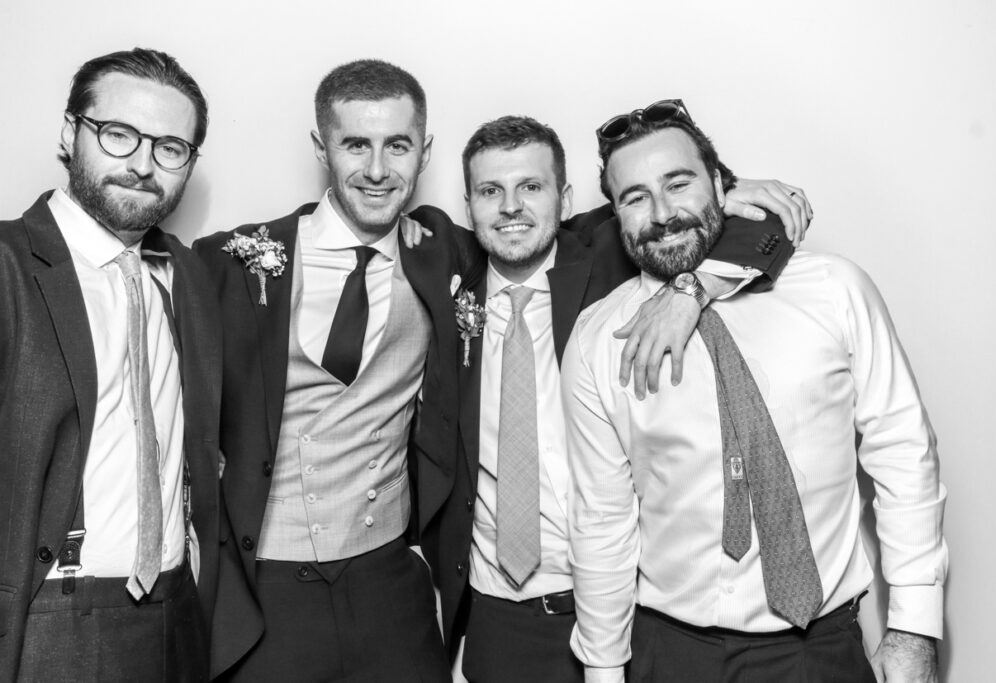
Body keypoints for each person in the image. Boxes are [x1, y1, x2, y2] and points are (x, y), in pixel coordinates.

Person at [561, 101, 947, 682]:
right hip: (673, 654)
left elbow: (904, 454)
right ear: (615, 215)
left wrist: (915, 627)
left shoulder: (833, 290)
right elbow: (602, 522)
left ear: (722, 184)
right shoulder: (599, 339)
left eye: (679, 182)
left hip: (820, 650)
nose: (662, 213)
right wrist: (603, 671)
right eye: (635, 197)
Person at [420, 114, 812, 682]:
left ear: (566, 197)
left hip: (621, 607)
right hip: (496, 616)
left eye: (531, 187)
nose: (511, 207)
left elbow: (711, 220)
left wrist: (729, 198)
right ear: (468, 204)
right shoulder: (446, 278)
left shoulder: (604, 256)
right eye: (490, 191)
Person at [193, 58, 480, 682]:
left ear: (424, 151)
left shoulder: (443, 252)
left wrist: (725, 214)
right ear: (321, 146)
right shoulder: (232, 261)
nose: (377, 171)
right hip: (264, 590)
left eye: (397, 146)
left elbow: (564, 237)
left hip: (391, 587)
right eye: (356, 144)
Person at [0, 48, 222, 681]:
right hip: (43, 618)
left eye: (170, 148)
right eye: (119, 135)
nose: (143, 165)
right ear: (70, 134)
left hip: (177, 617)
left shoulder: (190, 276)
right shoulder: (9, 266)